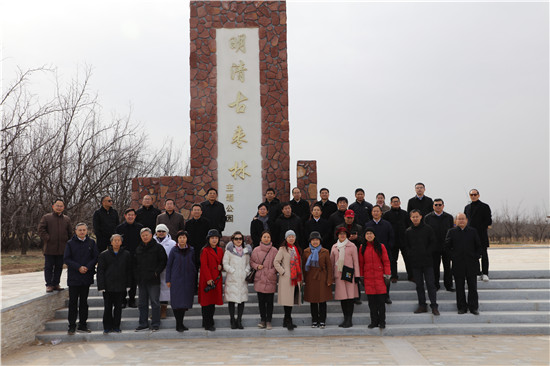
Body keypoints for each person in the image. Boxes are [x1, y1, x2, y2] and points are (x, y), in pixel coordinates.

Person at [63, 223, 99, 335]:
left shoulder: (91, 243)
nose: (82, 232)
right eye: (80, 230)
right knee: (73, 302)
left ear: (87, 231)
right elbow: (66, 259)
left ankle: (83, 325)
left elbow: (95, 257)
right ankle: (71, 326)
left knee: (84, 302)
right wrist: (78, 267)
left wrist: (87, 267)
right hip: (74, 277)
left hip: (86, 277)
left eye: (84, 230)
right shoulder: (70, 243)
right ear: (76, 231)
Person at [445, 213, 482, 315]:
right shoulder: (451, 232)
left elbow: (479, 246)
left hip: (471, 264)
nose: (461, 221)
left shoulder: (473, 231)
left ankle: (473, 307)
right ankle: (462, 307)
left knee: (472, 287)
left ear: (466, 220)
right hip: (458, 264)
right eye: (459, 219)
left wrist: (476, 256)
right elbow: (447, 247)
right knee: (459, 288)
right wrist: (453, 256)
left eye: (463, 219)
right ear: (455, 221)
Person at [405, 210, 439, 316]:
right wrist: (411, 255)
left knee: (430, 284)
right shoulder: (408, 231)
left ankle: (434, 306)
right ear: (410, 218)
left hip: (428, 262)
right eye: (413, 217)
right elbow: (407, 246)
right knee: (419, 285)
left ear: (421, 217)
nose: (415, 218)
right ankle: (422, 305)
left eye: (417, 216)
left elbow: (433, 243)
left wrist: (427, 252)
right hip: (415, 264)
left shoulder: (428, 229)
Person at [134, 227, 168, 332]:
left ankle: (155, 324)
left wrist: (156, 272)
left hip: (153, 280)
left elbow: (163, 261)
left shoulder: (158, 247)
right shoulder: (138, 248)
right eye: (143, 235)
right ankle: (143, 324)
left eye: (147, 235)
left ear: (151, 235)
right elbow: (134, 264)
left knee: (155, 302)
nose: (145, 237)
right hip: (142, 280)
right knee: (142, 303)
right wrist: (137, 276)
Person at [97, 234, 132, 334]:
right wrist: (101, 286)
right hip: (107, 287)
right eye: (114, 240)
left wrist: (128, 284)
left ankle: (116, 326)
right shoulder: (104, 255)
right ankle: (107, 327)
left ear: (121, 242)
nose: (116, 242)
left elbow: (129, 270)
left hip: (120, 286)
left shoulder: (126, 254)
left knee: (118, 308)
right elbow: (100, 271)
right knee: (107, 307)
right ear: (111, 242)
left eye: (118, 240)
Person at [38, 199, 72, 292]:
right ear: (53, 206)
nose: (59, 208)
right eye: (57, 206)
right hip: (50, 247)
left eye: (61, 206)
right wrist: (48, 238)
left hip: (62, 248)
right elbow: (41, 230)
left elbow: (70, 233)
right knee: (49, 267)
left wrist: (69, 243)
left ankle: (56, 283)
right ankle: (49, 285)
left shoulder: (66, 219)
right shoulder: (47, 217)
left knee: (59, 267)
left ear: (63, 207)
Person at [359, 228, 391, 329]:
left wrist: (387, 275)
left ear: (374, 235)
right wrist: (361, 276)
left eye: (371, 233)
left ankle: (382, 322)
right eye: (367, 234)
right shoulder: (362, 248)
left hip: (380, 278)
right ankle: (374, 322)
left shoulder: (381, 246)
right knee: (372, 304)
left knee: (381, 303)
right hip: (368, 279)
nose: (369, 235)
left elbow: (386, 261)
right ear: (365, 236)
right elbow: (361, 264)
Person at [166, 231, 197, 332]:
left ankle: (181, 323)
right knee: (176, 303)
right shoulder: (174, 250)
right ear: (177, 239)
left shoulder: (191, 250)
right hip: (176, 280)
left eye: (184, 237)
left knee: (184, 304)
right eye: (180, 238)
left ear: (186, 239)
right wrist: (168, 280)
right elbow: (169, 266)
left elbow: (194, 265)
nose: (182, 239)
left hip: (188, 280)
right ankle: (178, 324)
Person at [364, 205, 395, 304]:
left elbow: (391, 237)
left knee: (386, 276)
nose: (376, 213)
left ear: (381, 212)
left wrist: (387, 248)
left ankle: (386, 295)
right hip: (371, 254)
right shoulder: (368, 224)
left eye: (377, 211)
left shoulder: (387, 224)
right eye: (374, 211)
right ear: (371, 213)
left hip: (384, 253)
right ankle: (374, 295)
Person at [331, 227, 360, 328]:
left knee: (350, 298)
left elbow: (356, 262)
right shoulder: (334, 247)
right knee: (343, 298)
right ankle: (345, 318)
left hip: (349, 275)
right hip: (339, 275)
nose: (342, 235)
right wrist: (331, 276)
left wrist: (357, 275)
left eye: (344, 234)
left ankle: (349, 319)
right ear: (337, 235)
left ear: (347, 235)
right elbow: (331, 263)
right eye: (340, 234)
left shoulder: (352, 246)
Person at [302, 231, 332, 328]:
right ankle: (314, 320)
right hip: (311, 278)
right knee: (313, 300)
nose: (315, 242)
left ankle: (322, 320)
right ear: (310, 241)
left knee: (322, 301)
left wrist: (329, 279)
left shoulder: (325, 251)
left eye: (317, 240)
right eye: (313, 240)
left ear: (320, 241)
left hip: (322, 277)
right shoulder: (306, 251)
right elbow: (303, 266)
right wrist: (304, 279)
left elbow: (329, 267)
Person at [274, 230, 303, 330]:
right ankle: (288, 320)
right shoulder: (282, 249)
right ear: (286, 238)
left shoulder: (297, 249)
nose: (291, 238)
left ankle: (286, 319)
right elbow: (276, 262)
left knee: (291, 299)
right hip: (287, 278)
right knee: (287, 300)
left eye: (293, 236)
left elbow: (299, 264)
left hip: (296, 278)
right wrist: (283, 272)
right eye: (289, 237)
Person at [223, 231, 252, 329]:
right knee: (231, 301)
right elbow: (225, 263)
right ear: (232, 240)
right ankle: (232, 320)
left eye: (240, 238)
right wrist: (232, 270)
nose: (238, 240)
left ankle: (239, 320)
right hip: (232, 279)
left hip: (242, 279)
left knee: (241, 300)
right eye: (236, 239)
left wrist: (246, 271)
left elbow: (248, 263)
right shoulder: (229, 251)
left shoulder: (245, 252)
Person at [424, 199, 455, 291]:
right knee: (434, 268)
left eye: (440, 205)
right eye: (436, 205)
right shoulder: (428, 218)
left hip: (446, 247)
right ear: (433, 206)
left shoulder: (449, 217)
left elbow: (452, 232)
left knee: (447, 268)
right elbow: (426, 233)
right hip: (434, 247)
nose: (438, 206)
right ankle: (435, 285)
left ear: (443, 206)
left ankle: (448, 285)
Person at [250, 231, 278, 330]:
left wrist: (272, 271)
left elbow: (278, 263)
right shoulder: (256, 250)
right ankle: (263, 320)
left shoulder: (274, 250)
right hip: (260, 278)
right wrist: (257, 266)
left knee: (270, 301)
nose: (266, 238)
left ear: (271, 239)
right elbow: (251, 261)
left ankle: (269, 320)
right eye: (264, 237)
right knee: (261, 301)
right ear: (261, 238)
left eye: (268, 237)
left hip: (270, 278)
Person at [116, 208, 143, 308]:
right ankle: (122, 300)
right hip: (122, 258)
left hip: (136, 258)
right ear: (125, 216)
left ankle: (132, 299)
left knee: (133, 280)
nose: (130, 216)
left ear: (135, 216)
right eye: (129, 215)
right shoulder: (119, 228)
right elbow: (116, 242)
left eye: (132, 215)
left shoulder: (140, 227)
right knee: (122, 279)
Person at [335, 209, 363, 305]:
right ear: (344, 217)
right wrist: (346, 239)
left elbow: (363, 240)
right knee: (343, 276)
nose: (349, 219)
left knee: (354, 276)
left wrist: (357, 238)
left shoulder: (359, 227)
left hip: (355, 253)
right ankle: (344, 296)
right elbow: (335, 239)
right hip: (342, 256)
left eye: (351, 218)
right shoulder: (339, 227)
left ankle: (356, 296)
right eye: (348, 218)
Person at [198, 229, 224, 331]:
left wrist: (221, 267)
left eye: (216, 238)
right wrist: (209, 279)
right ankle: (206, 323)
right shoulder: (205, 250)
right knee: (206, 303)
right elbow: (204, 266)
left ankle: (210, 320)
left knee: (212, 302)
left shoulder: (220, 250)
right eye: (212, 238)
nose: (214, 240)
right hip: (207, 280)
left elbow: (221, 262)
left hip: (216, 279)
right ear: (208, 239)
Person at [383, 196, 413, 282]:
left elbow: (410, 226)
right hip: (392, 241)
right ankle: (394, 276)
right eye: (394, 202)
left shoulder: (405, 214)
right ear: (391, 203)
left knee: (408, 259)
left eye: (397, 201)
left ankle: (411, 276)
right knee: (392, 260)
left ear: (400, 203)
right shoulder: (387, 215)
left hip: (404, 240)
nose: (396, 203)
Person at [464, 189, 492, 281]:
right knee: (473, 255)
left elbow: (488, 221)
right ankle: (476, 272)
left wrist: (477, 229)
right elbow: (465, 221)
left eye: (475, 194)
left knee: (483, 254)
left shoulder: (485, 206)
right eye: (471, 195)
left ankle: (485, 273)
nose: (473, 196)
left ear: (478, 195)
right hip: (469, 236)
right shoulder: (467, 207)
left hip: (481, 235)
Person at [153, 224, 176, 319]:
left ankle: (163, 310)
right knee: (154, 291)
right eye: (159, 231)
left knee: (165, 291)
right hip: (154, 270)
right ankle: (155, 311)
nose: (161, 233)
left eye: (163, 231)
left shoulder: (172, 243)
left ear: (166, 232)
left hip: (166, 270)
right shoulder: (152, 241)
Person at [185, 204, 211, 273]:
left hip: (203, 249)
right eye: (195, 210)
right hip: (192, 250)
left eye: (198, 210)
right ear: (192, 212)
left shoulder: (206, 223)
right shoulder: (188, 224)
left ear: (201, 212)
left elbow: (208, 237)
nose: (196, 212)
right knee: (193, 270)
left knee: (204, 269)